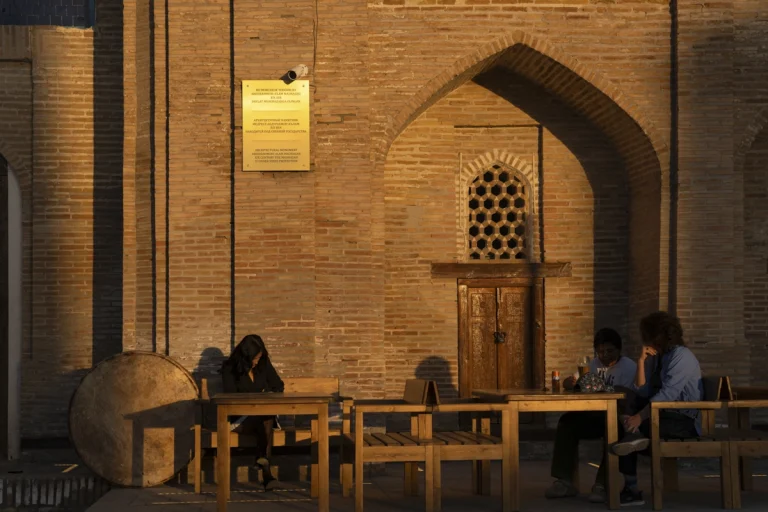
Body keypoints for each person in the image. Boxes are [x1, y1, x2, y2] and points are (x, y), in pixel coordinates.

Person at [546, 328, 639, 505]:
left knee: (613, 430)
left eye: (609, 351)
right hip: (594, 414)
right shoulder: (593, 364)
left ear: (619, 350)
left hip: (618, 417)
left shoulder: (629, 367)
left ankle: (602, 485)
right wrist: (570, 382)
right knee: (567, 422)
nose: (604, 355)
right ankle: (564, 481)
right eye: (601, 351)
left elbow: (627, 397)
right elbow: (571, 381)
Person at [610, 311, 702, 470]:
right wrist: (641, 362)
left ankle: (634, 434)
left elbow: (667, 395)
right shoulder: (659, 356)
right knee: (619, 392)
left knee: (622, 431)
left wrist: (639, 417)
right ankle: (634, 433)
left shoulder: (681, 356)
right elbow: (643, 392)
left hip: (682, 419)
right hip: (658, 412)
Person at [220, 334, 285, 489]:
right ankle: (266, 471)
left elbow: (278, 385)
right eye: (254, 359)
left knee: (266, 418)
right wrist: (256, 396)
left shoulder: (263, 363)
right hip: (239, 418)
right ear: (245, 356)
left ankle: (262, 462)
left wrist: (267, 392)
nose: (256, 362)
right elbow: (231, 396)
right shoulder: (230, 368)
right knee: (265, 420)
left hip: (261, 416)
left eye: (259, 357)